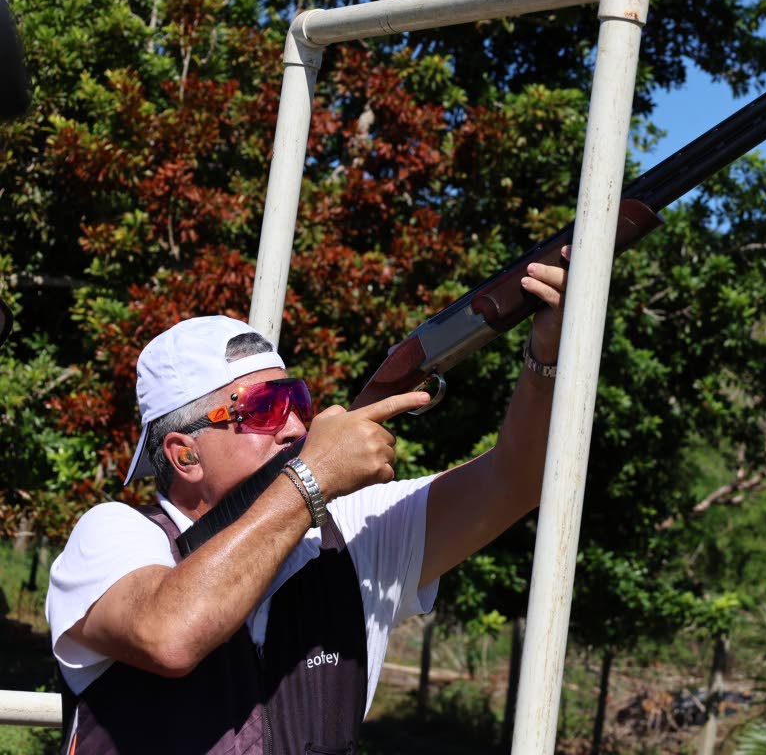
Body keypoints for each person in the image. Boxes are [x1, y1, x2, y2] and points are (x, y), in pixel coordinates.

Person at [45, 253, 569, 754]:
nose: (297, 426)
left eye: (296, 399)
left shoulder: (348, 536)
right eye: (265, 408)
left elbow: (515, 480)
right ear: (185, 457)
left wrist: (547, 357)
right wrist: (311, 479)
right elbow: (170, 635)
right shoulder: (113, 536)